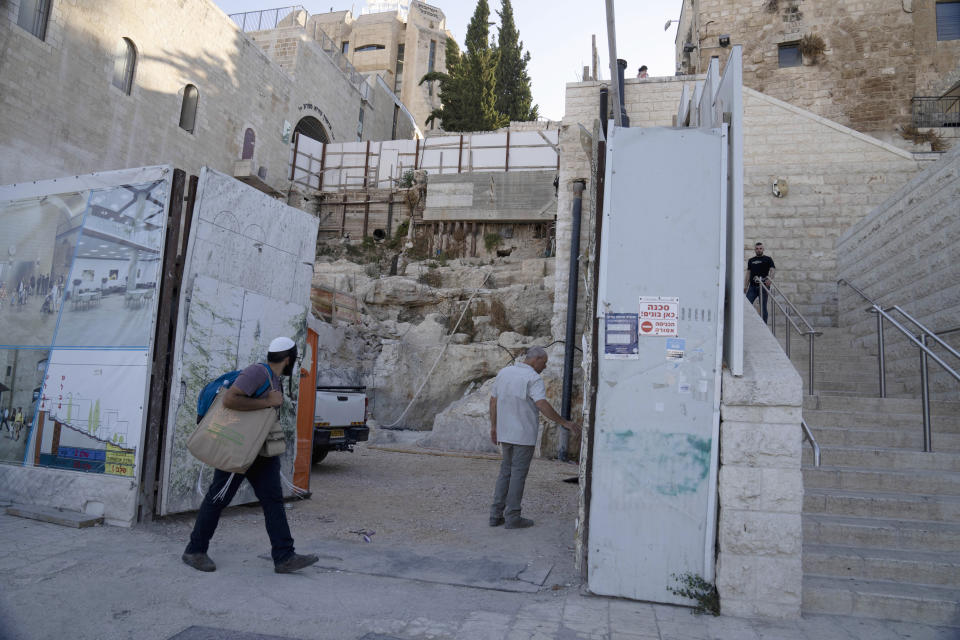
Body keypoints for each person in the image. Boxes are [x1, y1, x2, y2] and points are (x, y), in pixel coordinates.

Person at [182, 336, 319, 574]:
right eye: (294, 359)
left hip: (260, 452)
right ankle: (194, 550)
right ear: (288, 359)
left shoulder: (273, 379)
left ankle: (284, 556)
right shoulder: (257, 372)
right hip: (239, 449)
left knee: (273, 501)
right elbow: (230, 399)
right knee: (218, 497)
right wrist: (267, 401)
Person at [489, 346, 580, 529]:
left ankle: (495, 515)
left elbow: (493, 400)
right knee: (518, 475)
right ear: (535, 359)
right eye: (544, 363)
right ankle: (513, 516)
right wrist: (564, 422)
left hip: (505, 432)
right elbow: (541, 404)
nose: (544, 367)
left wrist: (493, 426)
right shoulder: (533, 378)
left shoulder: (505, 372)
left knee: (505, 472)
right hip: (523, 434)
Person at [745, 241, 776, 323]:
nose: (759, 250)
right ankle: (748, 322)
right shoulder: (751, 260)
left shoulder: (768, 259)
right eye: (757, 249)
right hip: (752, 287)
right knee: (747, 305)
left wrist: (770, 279)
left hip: (763, 286)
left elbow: (772, 270)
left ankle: (764, 325)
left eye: (760, 248)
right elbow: (748, 273)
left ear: (763, 249)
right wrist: (745, 286)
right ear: (755, 250)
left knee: (763, 307)